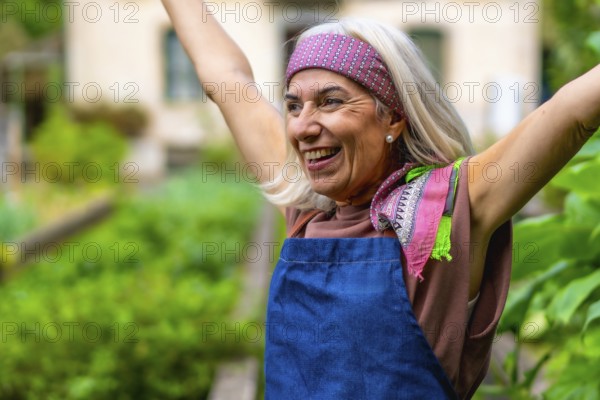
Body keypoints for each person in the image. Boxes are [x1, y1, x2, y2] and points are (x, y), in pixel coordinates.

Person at [161, 1, 600, 398]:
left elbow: (573, 111)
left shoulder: (448, 208)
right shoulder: (308, 207)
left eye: (330, 102)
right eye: (294, 106)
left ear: (391, 116)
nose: (301, 127)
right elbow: (226, 79)